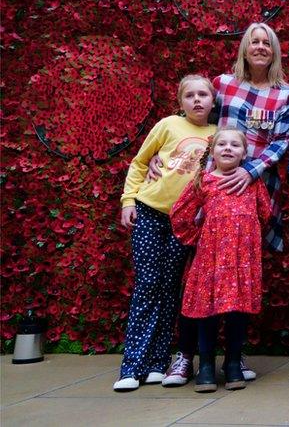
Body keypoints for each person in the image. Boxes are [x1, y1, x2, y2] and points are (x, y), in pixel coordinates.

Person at [150, 23, 289, 387]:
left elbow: (282, 142)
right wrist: (162, 155)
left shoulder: (285, 94)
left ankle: (233, 354)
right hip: (210, 191)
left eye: (267, 43)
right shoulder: (225, 85)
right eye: (254, 42)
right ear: (244, 49)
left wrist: (250, 170)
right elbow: (196, 126)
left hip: (252, 189)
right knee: (197, 279)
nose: (260, 47)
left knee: (236, 276)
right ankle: (186, 355)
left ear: (274, 51)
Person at [113, 75, 216, 392]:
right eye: (190, 95)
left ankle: (158, 362)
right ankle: (132, 366)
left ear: (213, 100)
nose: (197, 100)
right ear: (180, 101)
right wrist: (128, 200)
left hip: (183, 222)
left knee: (171, 287)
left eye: (203, 95)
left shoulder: (216, 134)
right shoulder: (168, 125)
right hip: (150, 211)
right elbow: (141, 162)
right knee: (147, 284)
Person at [170, 128, 272, 392]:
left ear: (244, 153)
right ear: (212, 152)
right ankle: (205, 366)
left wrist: (246, 237)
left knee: (237, 310)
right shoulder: (204, 181)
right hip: (211, 259)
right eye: (222, 144)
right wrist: (200, 238)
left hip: (241, 259)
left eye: (235, 145)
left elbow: (265, 213)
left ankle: (233, 363)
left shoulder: (252, 182)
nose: (228, 149)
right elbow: (180, 214)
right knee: (208, 310)